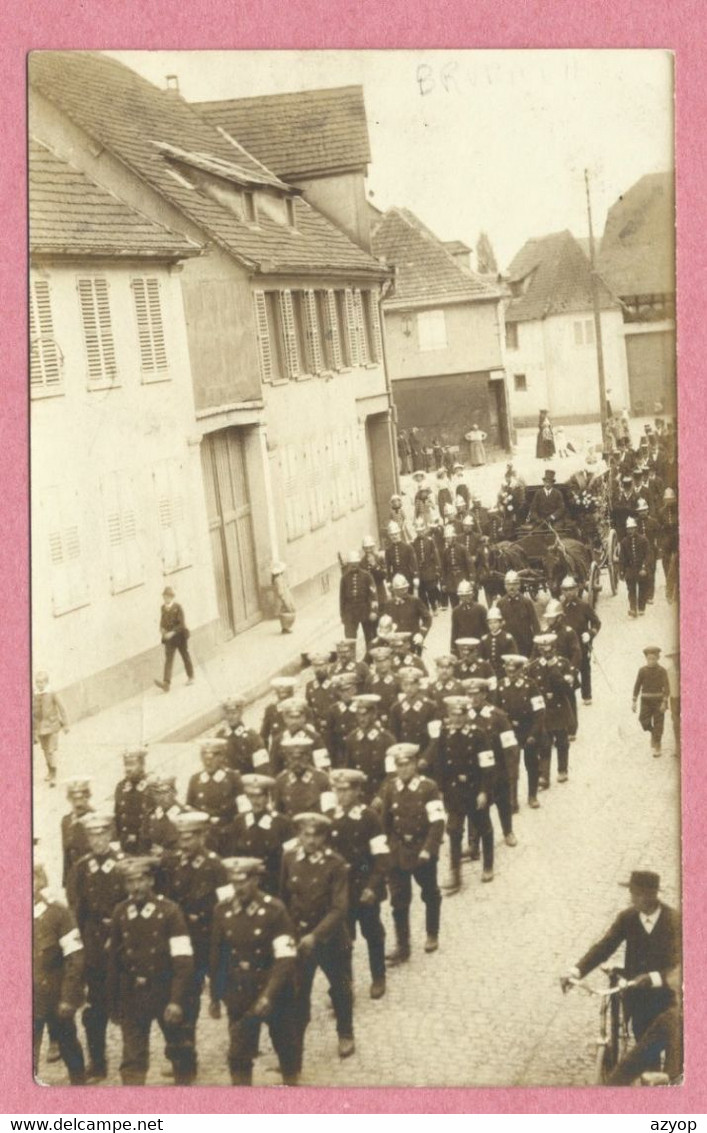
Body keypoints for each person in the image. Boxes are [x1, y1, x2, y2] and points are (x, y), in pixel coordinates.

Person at [562, 871, 681, 1064]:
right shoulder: (628, 918)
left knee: (673, 1056)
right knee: (646, 1052)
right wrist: (576, 971)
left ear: (650, 895)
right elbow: (605, 946)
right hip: (637, 999)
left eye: (635, 893)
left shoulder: (674, 921)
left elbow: (681, 963)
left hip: (668, 998)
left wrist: (654, 978)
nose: (631, 898)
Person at [209, 856, 299, 1086]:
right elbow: (218, 955)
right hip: (239, 991)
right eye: (234, 882)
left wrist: (269, 995)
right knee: (238, 1055)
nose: (239, 888)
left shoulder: (274, 909)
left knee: (286, 1047)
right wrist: (216, 997)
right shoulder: (222, 910)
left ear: (256, 880)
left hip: (275, 991)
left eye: (244, 882)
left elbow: (285, 957)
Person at [107, 856, 195, 1086]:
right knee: (132, 1060)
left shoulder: (170, 912)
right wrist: (114, 1001)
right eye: (129, 882)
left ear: (151, 881)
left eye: (140, 880)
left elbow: (183, 959)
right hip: (133, 995)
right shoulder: (120, 912)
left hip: (164, 992)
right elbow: (114, 961)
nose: (135, 887)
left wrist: (176, 1000)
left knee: (180, 1050)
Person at [159, 810, 230, 1084]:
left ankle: (188, 1044)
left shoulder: (215, 866)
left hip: (204, 940)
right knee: (181, 992)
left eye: (190, 838)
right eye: (181, 838)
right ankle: (183, 1049)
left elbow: (225, 907)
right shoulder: (172, 863)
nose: (184, 843)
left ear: (202, 836)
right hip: (179, 940)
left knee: (194, 992)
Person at [280, 812, 355, 1063]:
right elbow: (284, 899)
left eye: (316, 835)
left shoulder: (335, 864)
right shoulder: (289, 859)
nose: (310, 840)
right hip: (301, 939)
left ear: (324, 837)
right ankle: (295, 1045)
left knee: (340, 988)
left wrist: (316, 935)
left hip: (331, 938)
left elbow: (339, 908)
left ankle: (345, 1033)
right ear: (299, 835)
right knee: (299, 993)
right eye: (305, 834)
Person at [69, 812, 126, 1082]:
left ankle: (132, 1062)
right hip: (93, 943)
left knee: (127, 1002)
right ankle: (98, 1061)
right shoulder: (82, 867)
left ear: (110, 835)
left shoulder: (122, 864)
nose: (98, 840)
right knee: (95, 1008)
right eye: (92, 835)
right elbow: (76, 908)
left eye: (102, 834)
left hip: (120, 942)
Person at [377, 743, 445, 962]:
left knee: (430, 893)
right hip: (398, 851)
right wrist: (385, 851)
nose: (403, 769)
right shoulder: (390, 788)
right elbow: (385, 823)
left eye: (407, 765)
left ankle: (432, 933)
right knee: (398, 900)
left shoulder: (428, 787)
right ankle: (402, 945)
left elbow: (437, 822)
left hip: (421, 849)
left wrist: (428, 849)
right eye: (399, 765)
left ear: (415, 764)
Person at [329, 768, 390, 999]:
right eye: (337, 790)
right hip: (341, 891)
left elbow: (381, 857)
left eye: (345, 790)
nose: (341, 795)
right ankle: (345, 985)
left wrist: (371, 887)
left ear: (357, 791)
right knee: (343, 940)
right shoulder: (330, 817)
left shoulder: (369, 818)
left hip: (365, 888)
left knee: (372, 933)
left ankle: (378, 976)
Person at [431, 696, 496, 892]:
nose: (457, 719)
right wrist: (440, 791)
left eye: (460, 715)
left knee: (484, 827)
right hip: (454, 793)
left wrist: (484, 791)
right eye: (453, 715)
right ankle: (455, 874)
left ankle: (488, 866)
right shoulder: (445, 735)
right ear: (448, 716)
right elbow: (439, 764)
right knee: (454, 831)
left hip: (475, 790)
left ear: (467, 715)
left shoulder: (478, 734)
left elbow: (487, 766)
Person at [33, 862, 86, 1085]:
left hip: (55, 994)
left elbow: (75, 957)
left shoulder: (58, 913)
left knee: (68, 1044)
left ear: (40, 881)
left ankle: (79, 1087)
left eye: (31, 878)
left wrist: (68, 997)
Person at [220, 774, 294, 896]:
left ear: (267, 797)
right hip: (245, 881)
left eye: (259, 796)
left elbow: (288, 858)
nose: (255, 801)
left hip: (272, 881)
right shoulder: (240, 821)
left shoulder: (281, 822)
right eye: (252, 797)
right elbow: (232, 853)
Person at [496, 654, 546, 809]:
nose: (510, 674)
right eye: (508, 671)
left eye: (514, 671)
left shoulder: (530, 685)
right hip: (509, 731)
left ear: (520, 671)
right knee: (511, 766)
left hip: (528, 729)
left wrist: (534, 733)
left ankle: (532, 796)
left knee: (531, 764)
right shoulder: (500, 685)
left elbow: (539, 711)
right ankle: (512, 800)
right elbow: (496, 710)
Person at [527, 633, 575, 788]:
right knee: (544, 743)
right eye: (543, 650)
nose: (546, 653)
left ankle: (562, 769)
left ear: (554, 649)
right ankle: (543, 775)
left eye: (549, 649)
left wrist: (554, 670)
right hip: (543, 711)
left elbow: (568, 689)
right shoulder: (533, 667)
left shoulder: (563, 664)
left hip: (559, 708)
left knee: (562, 741)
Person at [186, 739, 244, 852]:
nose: (208, 763)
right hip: (204, 834)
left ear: (221, 758)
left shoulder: (233, 778)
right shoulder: (195, 780)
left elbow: (243, 809)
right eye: (205, 758)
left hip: (227, 834)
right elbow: (189, 807)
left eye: (212, 758)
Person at [343, 694, 397, 802]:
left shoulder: (387, 739)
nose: (361, 719)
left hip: (380, 794)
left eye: (365, 715)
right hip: (359, 794)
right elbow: (349, 768)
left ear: (374, 714)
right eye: (358, 715)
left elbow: (392, 773)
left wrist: (381, 796)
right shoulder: (352, 739)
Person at [559, 575, 601, 706]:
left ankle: (586, 694)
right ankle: (569, 694)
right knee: (568, 668)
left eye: (571, 589)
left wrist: (590, 634)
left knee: (584, 669)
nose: (568, 592)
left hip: (581, 644)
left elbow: (596, 623)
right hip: (566, 645)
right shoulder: (560, 607)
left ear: (576, 590)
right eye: (565, 590)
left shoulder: (584, 606)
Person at [154, 585, 194, 692]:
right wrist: (162, 629)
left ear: (172, 597)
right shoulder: (163, 608)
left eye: (168, 597)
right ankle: (166, 684)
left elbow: (181, 624)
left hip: (180, 637)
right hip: (169, 639)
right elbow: (162, 621)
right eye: (164, 597)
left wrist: (171, 633)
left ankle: (191, 676)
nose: (166, 599)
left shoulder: (178, 607)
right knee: (168, 660)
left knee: (185, 655)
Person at [632, 646, 671, 757]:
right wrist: (634, 701)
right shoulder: (642, 671)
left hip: (659, 701)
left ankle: (657, 745)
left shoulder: (662, 671)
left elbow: (667, 687)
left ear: (657, 658)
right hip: (646, 701)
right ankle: (654, 734)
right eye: (649, 659)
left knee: (659, 724)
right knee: (643, 721)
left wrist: (664, 702)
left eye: (653, 659)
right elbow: (637, 685)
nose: (651, 661)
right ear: (646, 659)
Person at [33, 670, 69, 788]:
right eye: (37, 682)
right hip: (41, 728)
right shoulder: (35, 694)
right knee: (45, 751)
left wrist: (66, 725)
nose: (39, 684)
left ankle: (54, 774)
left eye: (42, 682)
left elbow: (62, 708)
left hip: (53, 726)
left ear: (47, 682)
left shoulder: (52, 692)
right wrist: (33, 732)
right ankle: (49, 770)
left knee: (51, 750)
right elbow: (33, 714)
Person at [381, 573, 432, 653]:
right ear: (394, 590)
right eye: (400, 589)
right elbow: (384, 623)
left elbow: (427, 619)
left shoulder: (415, 601)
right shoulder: (389, 604)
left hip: (413, 641)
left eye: (405, 588)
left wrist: (421, 634)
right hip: (395, 643)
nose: (404, 591)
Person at [114, 747, 152, 855]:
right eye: (126, 764)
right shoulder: (121, 787)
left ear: (142, 765)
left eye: (132, 764)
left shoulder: (151, 787)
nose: (128, 768)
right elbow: (117, 817)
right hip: (126, 847)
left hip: (146, 847)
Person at [339, 550, 379, 645]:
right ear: (348, 564)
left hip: (365, 609)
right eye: (351, 563)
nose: (353, 566)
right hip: (350, 612)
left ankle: (369, 659)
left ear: (359, 562)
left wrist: (374, 611)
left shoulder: (367, 576)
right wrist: (343, 615)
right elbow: (342, 598)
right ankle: (351, 658)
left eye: (355, 563)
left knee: (370, 637)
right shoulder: (344, 578)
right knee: (349, 639)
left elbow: (373, 595)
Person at [498, 571, 541, 658]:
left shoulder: (526, 602)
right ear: (505, 586)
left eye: (514, 584)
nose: (512, 587)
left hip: (525, 643)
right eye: (509, 585)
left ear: (519, 585)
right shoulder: (501, 603)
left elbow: (535, 623)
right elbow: (498, 625)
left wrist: (537, 641)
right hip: (508, 644)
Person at [61, 778, 94, 890]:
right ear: (69, 799)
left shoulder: (96, 819)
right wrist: (66, 882)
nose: (78, 803)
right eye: (74, 799)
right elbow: (66, 854)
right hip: (75, 877)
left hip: (91, 877)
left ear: (88, 797)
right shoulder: (66, 821)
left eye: (81, 798)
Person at [619, 516, 652, 618]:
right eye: (629, 529)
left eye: (632, 528)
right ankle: (633, 609)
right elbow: (622, 558)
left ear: (636, 528)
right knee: (631, 590)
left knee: (642, 589)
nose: (630, 530)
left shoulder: (643, 540)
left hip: (641, 568)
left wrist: (644, 567)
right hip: (630, 569)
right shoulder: (624, 542)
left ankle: (641, 607)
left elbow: (648, 555)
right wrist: (622, 571)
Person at [412, 517, 442, 613]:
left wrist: (438, 568)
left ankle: (434, 606)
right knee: (421, 592)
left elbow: (435, 554)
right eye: (418, 531)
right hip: (419, 570)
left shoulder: (429, 540)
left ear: (424, 530)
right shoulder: (413, 542)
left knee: (431, 590)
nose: (420, 532)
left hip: (429, 568)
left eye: (421, 530)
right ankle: (426, 608)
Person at [450, 580, 488, 651]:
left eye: (467, 596)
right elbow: (454, 630)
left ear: (472, 595)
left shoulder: (480, 609)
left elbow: (486, 628)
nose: (464, 598)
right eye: (462, 596)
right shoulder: (456, 611)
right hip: (463, 645)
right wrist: (453, 648)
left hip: (478, 644)